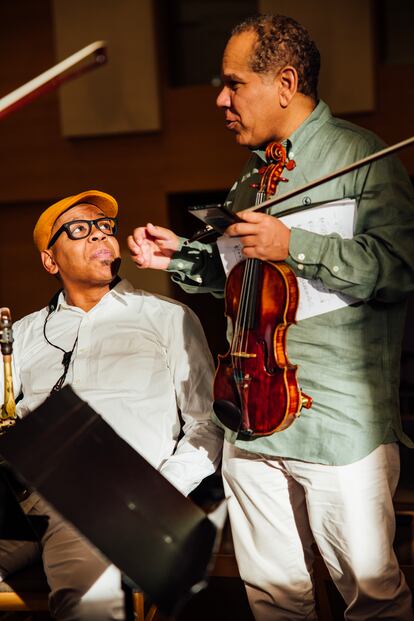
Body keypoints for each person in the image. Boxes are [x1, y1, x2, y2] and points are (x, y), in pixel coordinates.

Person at [127, 14, 414, 621]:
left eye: (234, 84)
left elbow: (397, 268)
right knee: (276, 602)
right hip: (249, 421)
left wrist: (297, 245)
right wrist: (182, 256)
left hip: (338, 425)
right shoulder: (251, 181)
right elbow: (242, 284)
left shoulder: (362, 158)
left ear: (285, 83)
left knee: (374, 601)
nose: (221, 99)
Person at [0, 189, 223, 621]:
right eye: (80, 230)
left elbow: (206, 424)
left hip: (106, 500)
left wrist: (154, 494)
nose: (100, 235)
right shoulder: (23, 334)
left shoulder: (167, 317)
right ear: (50, 261)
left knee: (88, 607)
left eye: (105, 227)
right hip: (22, 496)